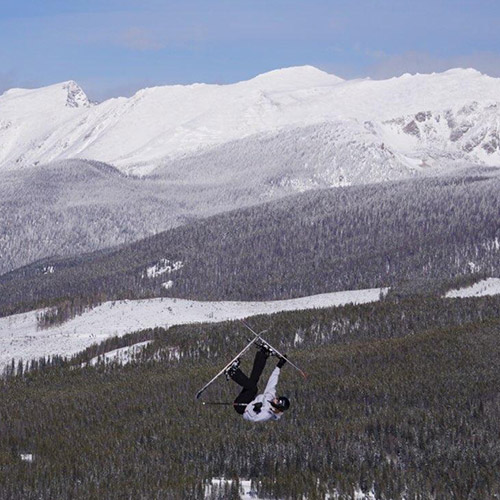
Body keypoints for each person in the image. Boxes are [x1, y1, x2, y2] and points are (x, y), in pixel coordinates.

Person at [225, 341, 290, 422]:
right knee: (253, 381)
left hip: (242, 407)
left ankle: (232, 371)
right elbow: (272, 381)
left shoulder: (267, 414)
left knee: (253, 388)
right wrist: (279, 366)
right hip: (249, 399)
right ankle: (263, 354)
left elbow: (250, 417)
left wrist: (254, 409)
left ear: (278, 407)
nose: (276, 399)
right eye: (278, 398)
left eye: (277, 402)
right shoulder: (270, 396)